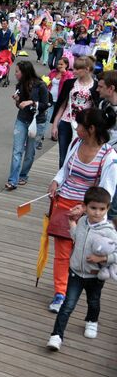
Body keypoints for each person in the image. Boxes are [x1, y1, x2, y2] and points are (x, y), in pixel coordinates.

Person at [47, 108, 117, 313]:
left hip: (89, 211)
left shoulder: (109, 156)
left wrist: (86, 209)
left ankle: (84, 291)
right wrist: (55, 181)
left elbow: (106, 193)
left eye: (79, 125)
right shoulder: (76, 143)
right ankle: (61, 292)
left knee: (82, 253)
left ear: (92, 129)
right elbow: (65, 169)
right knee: (62, 252)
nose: (75, 128)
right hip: (65, 204)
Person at [46, 186, 117, 351]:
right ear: (85, 207)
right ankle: (56, 336)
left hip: (95, 275)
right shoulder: (83, 222)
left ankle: (92, 321)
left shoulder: (109, 232)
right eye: (93, 208)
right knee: (68, 305)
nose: (97, 213)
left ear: (107, 208)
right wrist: (72, 225)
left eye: (101, 209)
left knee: (93, 301)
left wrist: (103, 258)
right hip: (76, 272)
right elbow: (77, 238)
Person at [5, 61, 48, 190]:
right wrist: (18, 101)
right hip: (22, 119)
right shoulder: (19, 85)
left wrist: (31, 102)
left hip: (36, 121)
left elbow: (45, 104)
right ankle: (13, 180)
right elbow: (20, 106)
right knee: (17, 151)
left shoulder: (40, 85)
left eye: (17, 71)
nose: (15, 74)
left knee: (29, 152)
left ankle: (23, 175)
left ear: (24, 72)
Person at [51, 56, 99, 167]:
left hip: (84, 126)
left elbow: (95, 108)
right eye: (74, 68)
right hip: (66, 122)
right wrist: (54, 125)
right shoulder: (69, 83)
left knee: (79, 155)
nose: (75, 71)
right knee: (63, 156)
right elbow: (62, 105)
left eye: (78, 69)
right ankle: (61, 181)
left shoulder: (96, 86)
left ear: (87, 69)